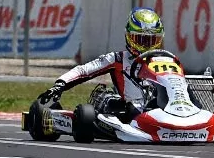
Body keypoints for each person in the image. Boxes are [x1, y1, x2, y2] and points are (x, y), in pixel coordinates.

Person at [36, 7, 173, 120]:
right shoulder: (117, 59)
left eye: (150, 41)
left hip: (162, 108)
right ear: (130, 37)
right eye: (141, 40)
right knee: (95, 110)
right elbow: (83, 71)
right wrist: (60, 84)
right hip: (130, 112)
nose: (145, 46)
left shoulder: (166, 60)